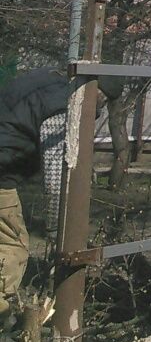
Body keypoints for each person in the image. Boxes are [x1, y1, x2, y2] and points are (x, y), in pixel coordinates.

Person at [0, 69, 120, 328]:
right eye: (102, 102)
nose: (100, 107)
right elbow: (55, 180)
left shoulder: (45, 82)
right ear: (97, 94)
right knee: (13, 245)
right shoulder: (62, 108)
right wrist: (58, 232)